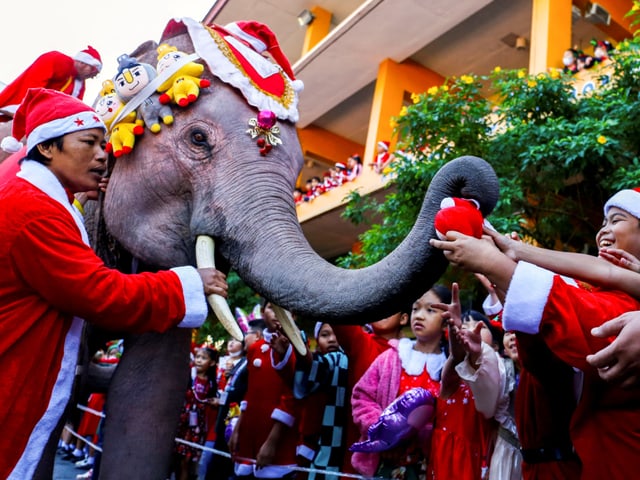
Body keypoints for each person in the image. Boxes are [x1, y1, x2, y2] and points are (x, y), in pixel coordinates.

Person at [0, 88, 228, 480]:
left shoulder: (34, 198)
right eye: (88, 142)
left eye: (105, 144)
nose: (103, 154)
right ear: (48, 148)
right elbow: (101, 294)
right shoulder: (34, 211)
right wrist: (186, 284)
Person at [430, 188, 640, 479]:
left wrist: (497, 265)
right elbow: (599, 276)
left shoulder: (625, 305)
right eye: (602, 223)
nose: (603, 231)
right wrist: (503, 262)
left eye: (615, 220)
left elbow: (584, 318)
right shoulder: (606, 288)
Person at [350, 285, 451, 478]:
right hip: (385, 463)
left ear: (447, 322)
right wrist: (383, 433)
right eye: (415, 308)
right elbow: (361, 397)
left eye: (430, 310)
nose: (419, 315)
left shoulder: (449, 369)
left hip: (428, 466)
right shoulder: (392, 358)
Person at [228, 303, 300, 479]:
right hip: (251, 434)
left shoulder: (300, 349)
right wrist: (238, 429)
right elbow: (250, 394)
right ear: (262, 312)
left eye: (285, 308)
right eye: (271, 307)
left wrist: (272, 443)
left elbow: (291, 399)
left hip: (279, 440)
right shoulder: (255, 348)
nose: (278, 313)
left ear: (295, 315)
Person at [293, 322, 349, 480]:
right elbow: (316, 366)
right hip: (317, 445)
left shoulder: (345, 359)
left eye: (336, 334)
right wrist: (297, 341)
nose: (332, 339)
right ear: (317, 341)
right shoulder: (331, 360)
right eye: (325, 335)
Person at [0, 47, 102, 121]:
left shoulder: (80, 84)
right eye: (94, 71)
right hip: (20, 109)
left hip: (42, 118)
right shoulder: (57, 59)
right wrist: (26, 109)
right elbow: (33, 83)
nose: (92, 77)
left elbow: (74, 107)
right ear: (83, 63)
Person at [173, 346, 219, 480]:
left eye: (203, 358)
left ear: (211, 363)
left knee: (186, 461)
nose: (199, 360)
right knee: (175, 457)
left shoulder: (212, 383)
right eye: (197, 357)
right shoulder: (188, 376)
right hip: (181, 420)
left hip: (196, 427)